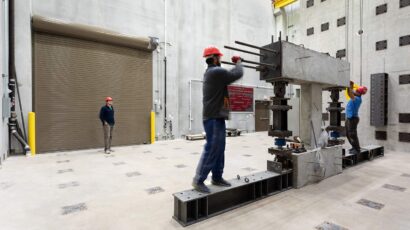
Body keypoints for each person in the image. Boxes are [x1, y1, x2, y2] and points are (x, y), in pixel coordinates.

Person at [192, 46, 244, 193]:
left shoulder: (213, 73)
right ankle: (199, 180)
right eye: (219, 57)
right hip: (213, 118)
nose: (220, 60)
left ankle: (217, 177)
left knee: (219, 148)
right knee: (213, 148)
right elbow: (237, 73)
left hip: (217, 117)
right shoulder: (215, 72)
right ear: (214, 58)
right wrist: (239, 62)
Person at [346, 81, 367, 154]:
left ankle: (357, 149)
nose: (355, 91)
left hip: (353, 118)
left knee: (352, 134)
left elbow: (350, 93)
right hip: (349, 117)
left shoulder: (357, 99)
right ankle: (353, 147)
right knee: (348, 134)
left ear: (358, 93)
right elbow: (351, 92)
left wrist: (350, 86)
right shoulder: (356, 97)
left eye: (356, 91)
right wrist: (350, 87)